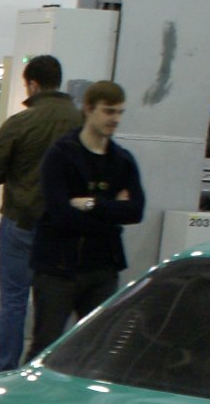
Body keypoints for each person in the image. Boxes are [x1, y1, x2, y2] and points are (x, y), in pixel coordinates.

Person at [0, 55, 82, 371]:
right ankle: (46, 371)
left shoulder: (20, 123)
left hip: (21, 221)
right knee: (55, 305)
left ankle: (6, 370)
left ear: (33, 85)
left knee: (14, 301)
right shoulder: (81, 123)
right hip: (64, 228)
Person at [28, 80, 145, 355]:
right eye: (109, 111)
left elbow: (135, 211)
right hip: (58, 269)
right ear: (89, 109)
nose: (115, 119)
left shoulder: (122, 160)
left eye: (120, 112)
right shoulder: (61, 155)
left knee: (97, 350)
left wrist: (91, 204)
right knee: (46, 346)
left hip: (103, 268)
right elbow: (61, 215)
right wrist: (111, 214)